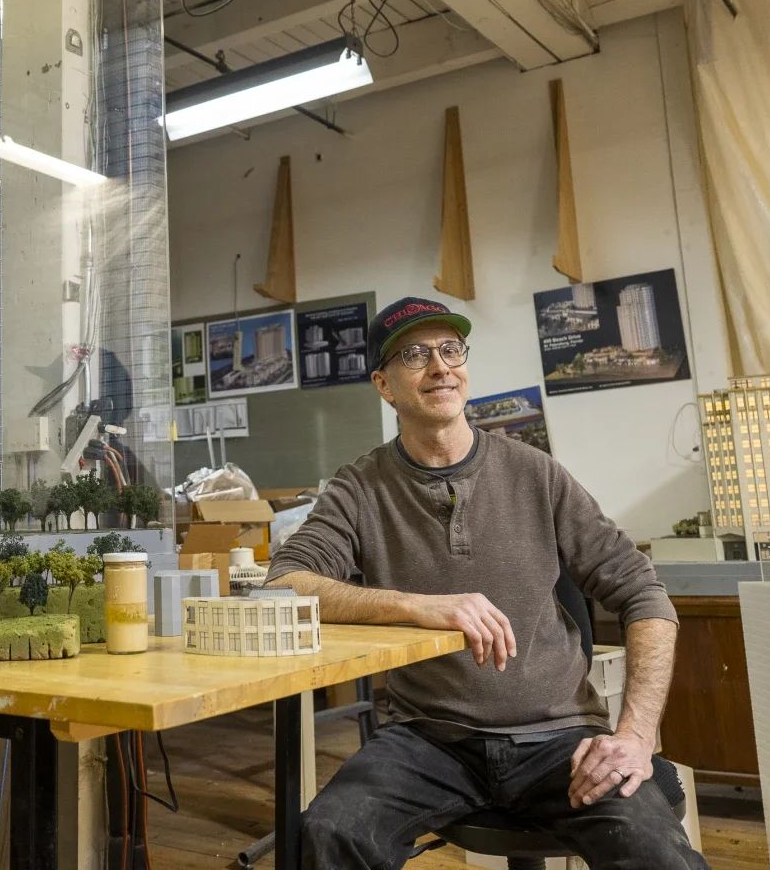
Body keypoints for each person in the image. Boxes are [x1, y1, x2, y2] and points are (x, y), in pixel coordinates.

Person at [268, 297, 708, 870]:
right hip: (429, 741)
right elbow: (285, 585)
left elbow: (644, 594)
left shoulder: (536, 473)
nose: (440, 367)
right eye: (415, 355)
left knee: (656, 854)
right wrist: (417, 606)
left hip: (559, 739)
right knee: (329, 833)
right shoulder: (360, 486)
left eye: (451, 350)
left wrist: (636, 735)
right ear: (383, 384)